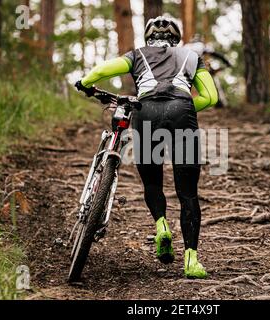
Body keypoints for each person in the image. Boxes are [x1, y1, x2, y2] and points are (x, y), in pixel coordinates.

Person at [75, 16, 218, 279]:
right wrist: (184, 108)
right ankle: (191, 261)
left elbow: (101, 72)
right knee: (188, 193)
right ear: (176, 38)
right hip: (181, 113)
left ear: (148, 36)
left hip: (146, 112)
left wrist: (85, 82)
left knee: (152, 183)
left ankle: (162, 226)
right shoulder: (191, 57)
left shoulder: (137, 54)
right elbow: (211, 97)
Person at [184, 35, 232, 108]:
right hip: (194, 64)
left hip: (181, 66)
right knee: (211, 78)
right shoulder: (202, 45)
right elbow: (216, 54)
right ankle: (219, 103)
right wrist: (227, 62)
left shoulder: (186, 45)